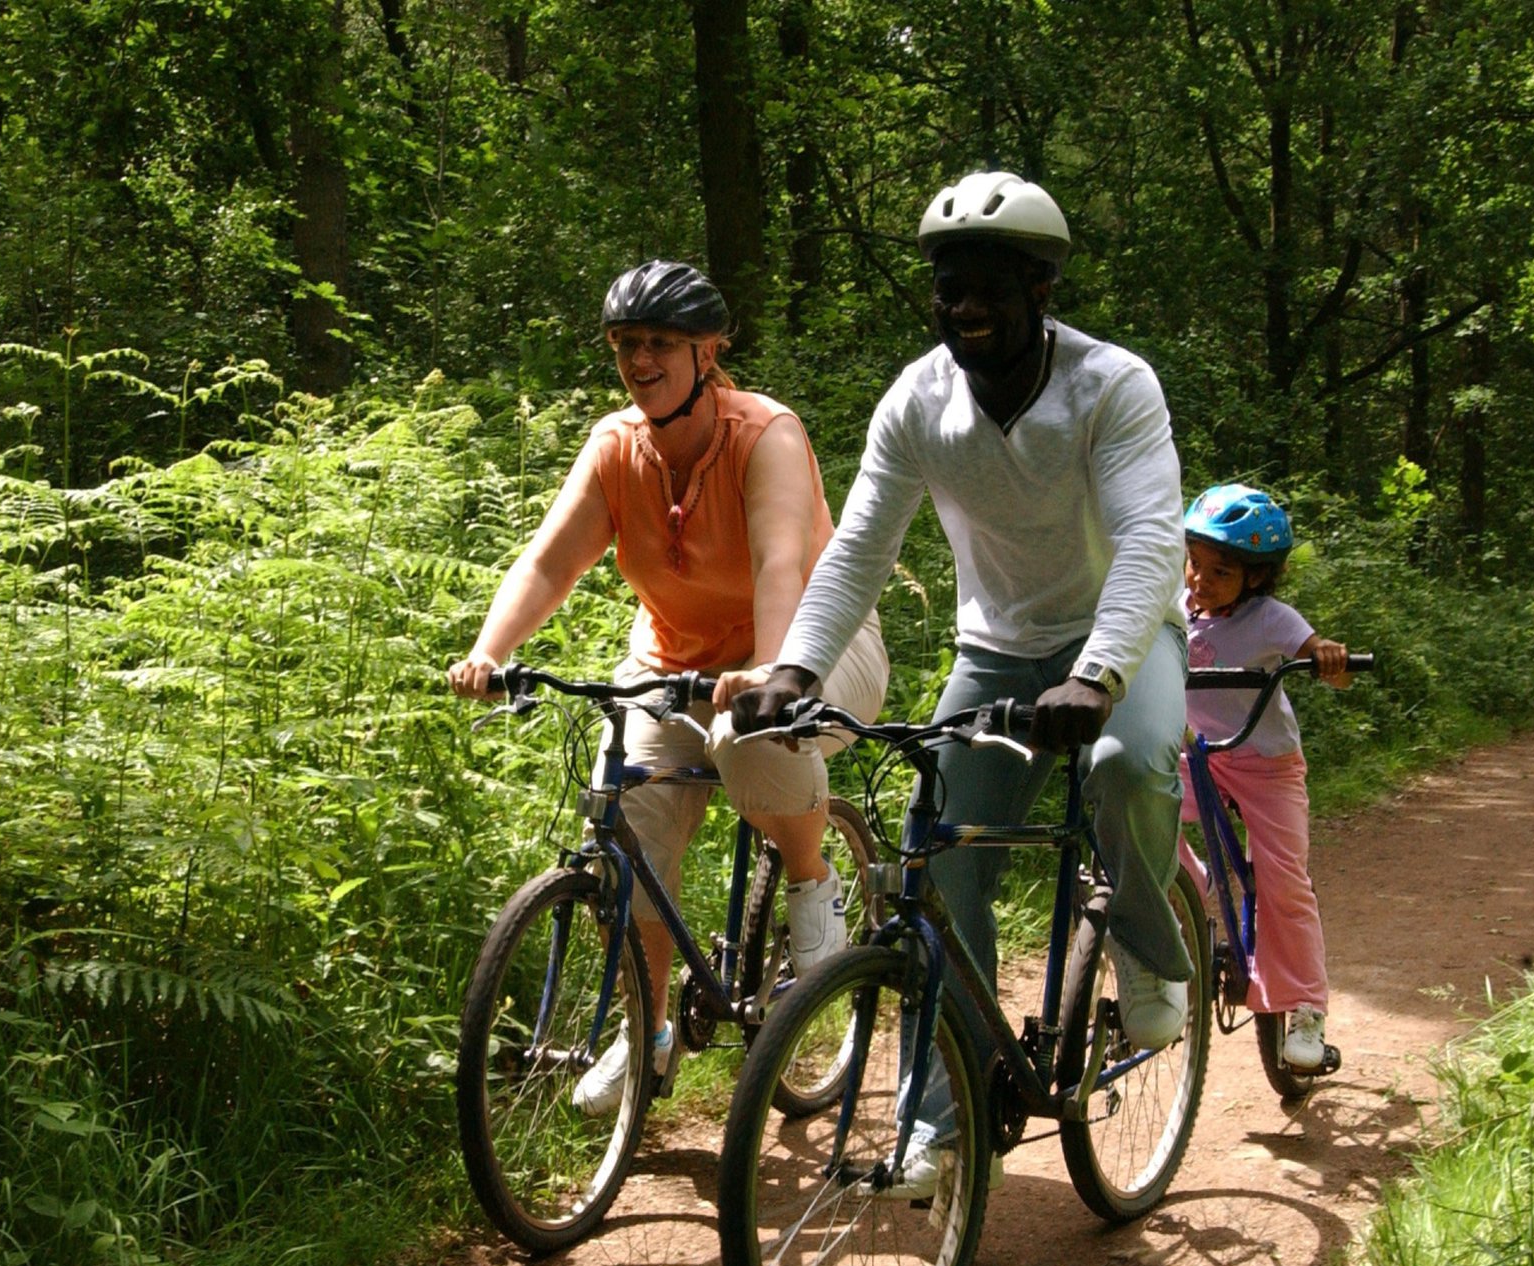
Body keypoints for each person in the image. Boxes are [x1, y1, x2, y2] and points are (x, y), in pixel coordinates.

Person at [733, 172, 1192, 1193]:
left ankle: (1153, 954)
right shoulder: (918, 400)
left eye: (987, 283)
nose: (963, 304)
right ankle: (941, 1123)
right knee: (933, 862)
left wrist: (1100, 674)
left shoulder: (1112, 386)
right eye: (947, 286)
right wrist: (796, 666)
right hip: (996, 648)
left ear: (1039, 287)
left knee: (1127, 764)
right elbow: (856, 547)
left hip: (1121, 639)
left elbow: (1153, 539)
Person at [448, 260, 889, 1115]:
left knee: (753, 743)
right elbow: (550, 560)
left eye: (658, 343)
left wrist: (768, 671)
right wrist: (488, 650)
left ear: (706, 352)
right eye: (625, 344)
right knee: (627, 822)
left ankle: (810, 881)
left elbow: (781, 564)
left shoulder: (767, 435)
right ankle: (645, 1031)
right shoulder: (618, 446)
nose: (639, 360)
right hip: (674, 660)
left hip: (813, 644)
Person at [1179, 483, 1350, 1070]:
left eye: (1220, 571)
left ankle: (1304, 1008)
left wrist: (1328, 657)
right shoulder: (1176, 608)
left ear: (1254, 577)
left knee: (1282, 880)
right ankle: (1193, 892)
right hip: (1201, 756)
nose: (1200, 580)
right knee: (1134, 809)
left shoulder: (1272, 619)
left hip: (1266, 765)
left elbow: (1322, 655)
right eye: (1194, 563)